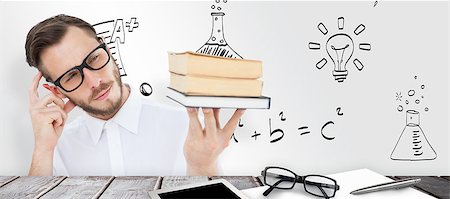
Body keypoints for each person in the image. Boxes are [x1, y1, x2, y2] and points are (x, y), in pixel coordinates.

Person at [25, 14, 245, 176]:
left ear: (108, 51)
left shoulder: (185, 126)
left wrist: (202, 167)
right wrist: (42, 149)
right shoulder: (56, 149)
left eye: (93, 59)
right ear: (56, 90)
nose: (95, 82)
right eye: (71, 76)